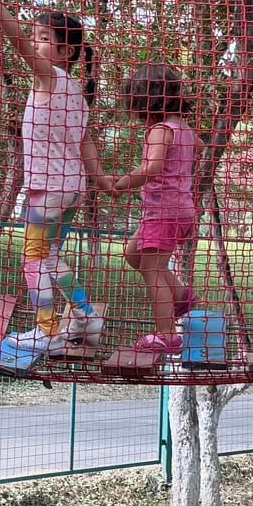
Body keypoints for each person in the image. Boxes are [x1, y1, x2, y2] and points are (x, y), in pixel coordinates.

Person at [0, 0, 104, 358]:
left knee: (32, 260)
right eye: (38, 35)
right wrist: (102, 180)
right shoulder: (77, 94)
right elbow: (85, 144)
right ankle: (85, 316)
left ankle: (47, 331)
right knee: (51, 259)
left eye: (45, 38)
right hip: (70, 190)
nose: (37, 43)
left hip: (46, 191)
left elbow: (17, 43)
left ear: (65, 53)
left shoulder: (49, 76)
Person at [102, 63, 197, 356]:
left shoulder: (159, 130)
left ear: (147, 102)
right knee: (134, 255)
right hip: (180, 211)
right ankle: (182, 296)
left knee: (153, 270)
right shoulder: (184, 130)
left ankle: (168, 335)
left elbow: (152, 168)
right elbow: (200, 148)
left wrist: (121, 183)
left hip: (163, 214)